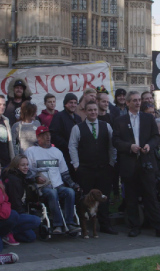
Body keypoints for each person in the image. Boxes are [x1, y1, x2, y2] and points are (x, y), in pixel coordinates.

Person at [112, 91, 160, 239]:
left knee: (151, 196)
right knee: (131, 197)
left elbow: (155, 137)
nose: (137, 102)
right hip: (129, 164)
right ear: (127, 102)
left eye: (139, 100)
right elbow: (115, 141)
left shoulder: (148, 118)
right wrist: (129, 147)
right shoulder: (120, 120)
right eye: (134, 100)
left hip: (147, 162)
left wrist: (149, 146)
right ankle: (135, 226)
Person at [68, 101, 119, 235]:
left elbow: (112, 146)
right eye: (90, 110)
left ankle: (105, 224)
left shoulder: (106, 126)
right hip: (85, 169)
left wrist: (112, 162)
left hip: (104, 168)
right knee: (86, 198)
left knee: (104, 197)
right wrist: (76, 165)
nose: (93, 112)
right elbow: (72, 146)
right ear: (85, 111)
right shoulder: (77, 128)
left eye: (95, 110)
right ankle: (87, 226)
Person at [25, 126, 81, 234]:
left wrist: (73, 185)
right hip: (42, 187)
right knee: (52, 193)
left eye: (49, 135)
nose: (48, 137)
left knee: (70, 192)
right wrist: (35, 178)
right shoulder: (31, 151)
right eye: (44, 135)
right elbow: (26, 172)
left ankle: (70, 223)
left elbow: (64, 173)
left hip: (58, 185)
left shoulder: (57, 152)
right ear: (38, 137)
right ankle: (57, 224)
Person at [3, 155, 42, 237]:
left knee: (31, 237)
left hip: (17, 211)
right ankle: (7, 232)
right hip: (13, 213)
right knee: (36, 221)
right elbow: (15, 201)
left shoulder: (19, 177)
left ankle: (11, 232)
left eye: (27, 165)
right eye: (23, 165)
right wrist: (24, 215)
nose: (26, 167)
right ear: (16, 166)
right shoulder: (14, 180)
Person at [49, 93, 82, 175]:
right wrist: (68, 145)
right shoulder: (58, 117)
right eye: (71, 102)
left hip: (77, 155)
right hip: (64, 155)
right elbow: (54, 135)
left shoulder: (78, 118)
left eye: (75, 103)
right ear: (65, 104)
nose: (73, 105)